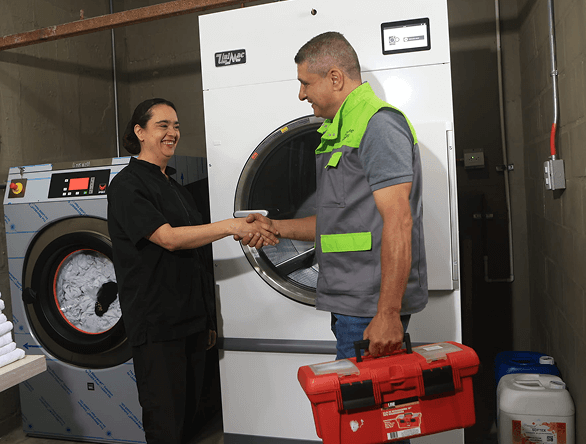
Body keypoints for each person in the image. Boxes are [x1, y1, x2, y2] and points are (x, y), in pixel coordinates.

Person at [241, 31, 428, 361]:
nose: (301, 95)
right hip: (351, 301)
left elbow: (399, 222)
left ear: (335, 78)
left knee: (365, 410)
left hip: (370, 307)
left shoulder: (378, 126)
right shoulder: (339, 130)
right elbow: (337, 224)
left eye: (305, 83)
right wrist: (274, 227)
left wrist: (387, 314)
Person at [107, 98, 278, 444]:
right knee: (166, 426)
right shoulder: (127, 186)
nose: (173, 133)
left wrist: (207, 322)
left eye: (176, 126)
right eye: (163, 125)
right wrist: (232, 226)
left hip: (191, 323)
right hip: (157, 326)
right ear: (139, 132)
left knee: (189, 423)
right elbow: (168, 239)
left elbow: (197, 257)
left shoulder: (174, 186)